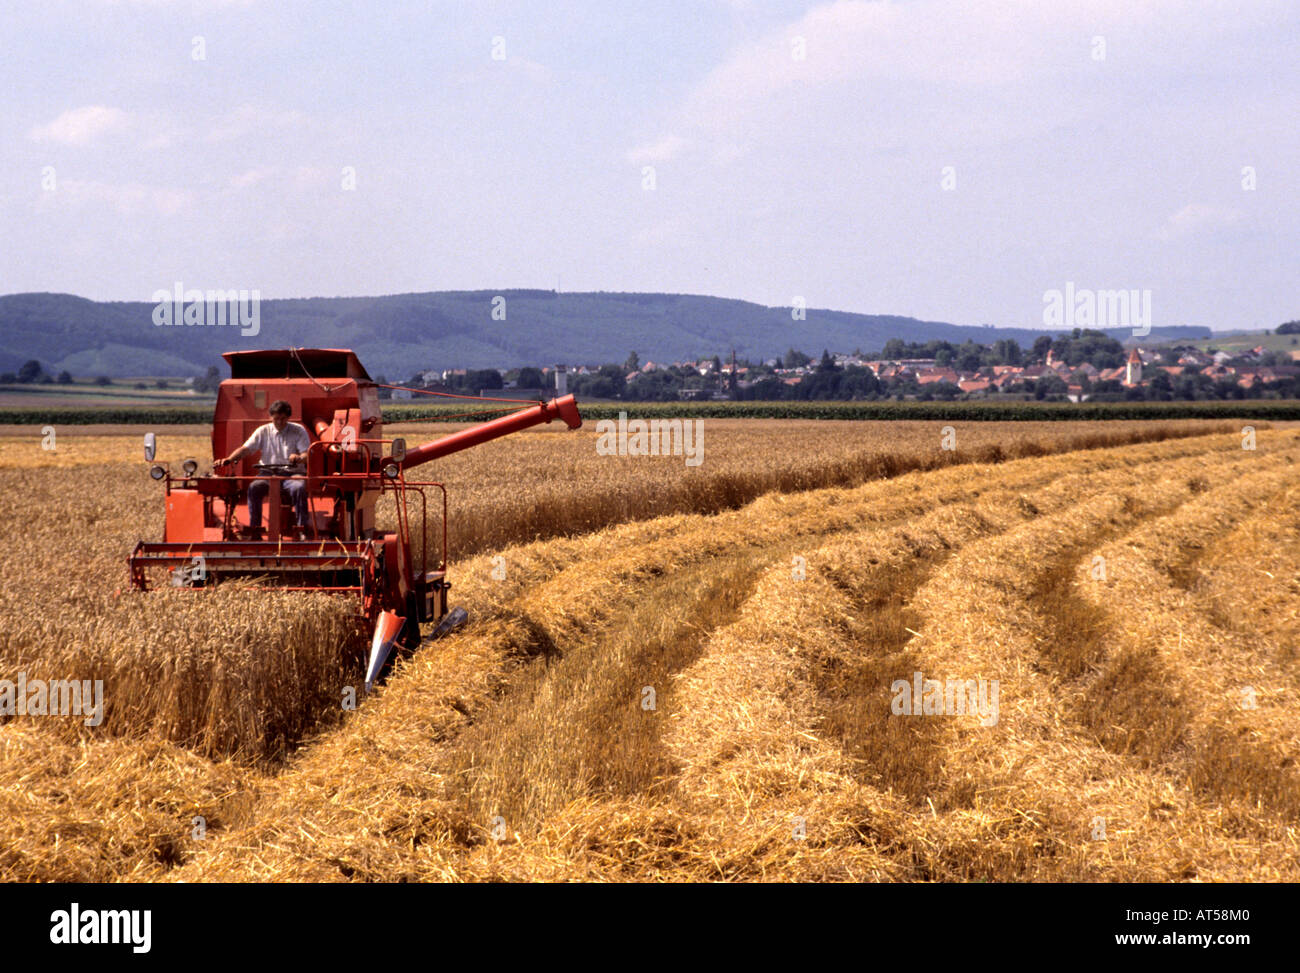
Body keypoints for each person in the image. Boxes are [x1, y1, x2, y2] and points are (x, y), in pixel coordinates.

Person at [217, 400, 311, 538]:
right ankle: (255, 530)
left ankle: (302, 529)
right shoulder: (263, 431)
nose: (279, 422)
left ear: (288, 417)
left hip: (292, 473)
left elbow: (306, 454)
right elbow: (246, 449)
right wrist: (230, 459)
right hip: (268, 473)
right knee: (254, 488)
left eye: (283, 418)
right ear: (270, 417)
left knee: (299, 487)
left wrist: (298, 457)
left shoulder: (298, 430)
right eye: (276, 418)